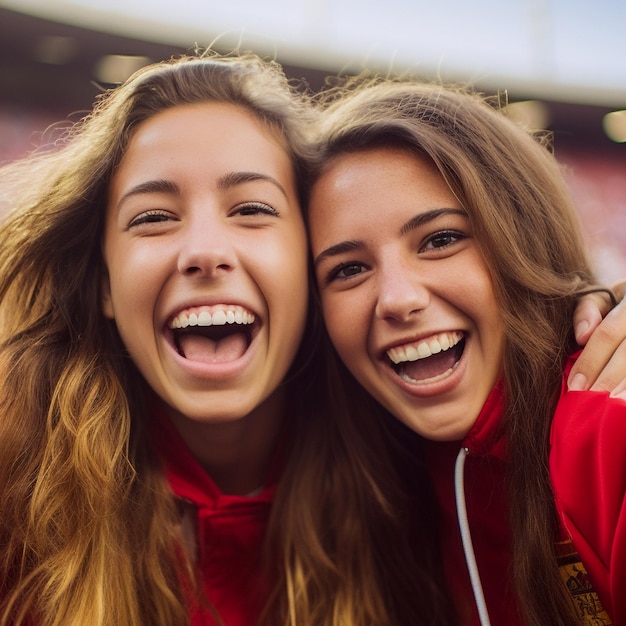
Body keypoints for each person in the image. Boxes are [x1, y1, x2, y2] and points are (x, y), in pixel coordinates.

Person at [0, 52, 622, 626]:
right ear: (103, 282)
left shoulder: (412, 452)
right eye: (154, 218)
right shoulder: (17, 490)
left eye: (251, 209)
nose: (206, 252)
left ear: (299, 275)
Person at [306, 77, 626, 625]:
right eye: (349, 269)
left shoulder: (606, 428)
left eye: (440, 239)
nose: (398, 299)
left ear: (521, 236)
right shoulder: (364, 461)